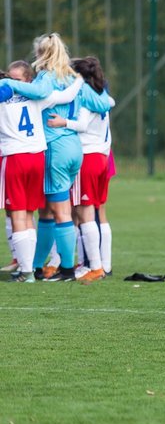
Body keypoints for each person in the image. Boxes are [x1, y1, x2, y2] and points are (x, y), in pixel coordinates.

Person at [6, 34, 112, 282]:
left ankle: (64, 269)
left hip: (55, 146)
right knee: (47, 210)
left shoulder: (47, 76)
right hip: (74, 147)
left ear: (41, 54)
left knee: (59, 211)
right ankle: (36, 265)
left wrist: (9, 85)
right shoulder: (74, 78)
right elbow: (103, 103)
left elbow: (40, 90)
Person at [0, 59, 84, 282]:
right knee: (28, 214)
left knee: (18, 214)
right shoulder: (37, 97)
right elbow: (65, 96)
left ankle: (26, 272)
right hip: (37, 157)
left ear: (27, 80)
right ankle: (30, 268)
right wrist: (79, 79)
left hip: (15, 157)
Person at [47, 56, 114, 283]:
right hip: (100, 156)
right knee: (82, 212)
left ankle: (96, 266)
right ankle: (88, 264)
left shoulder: (85, 95)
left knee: (84, 213)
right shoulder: (100, 95)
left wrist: (62, 123)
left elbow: (83, 125)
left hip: (88, 156)